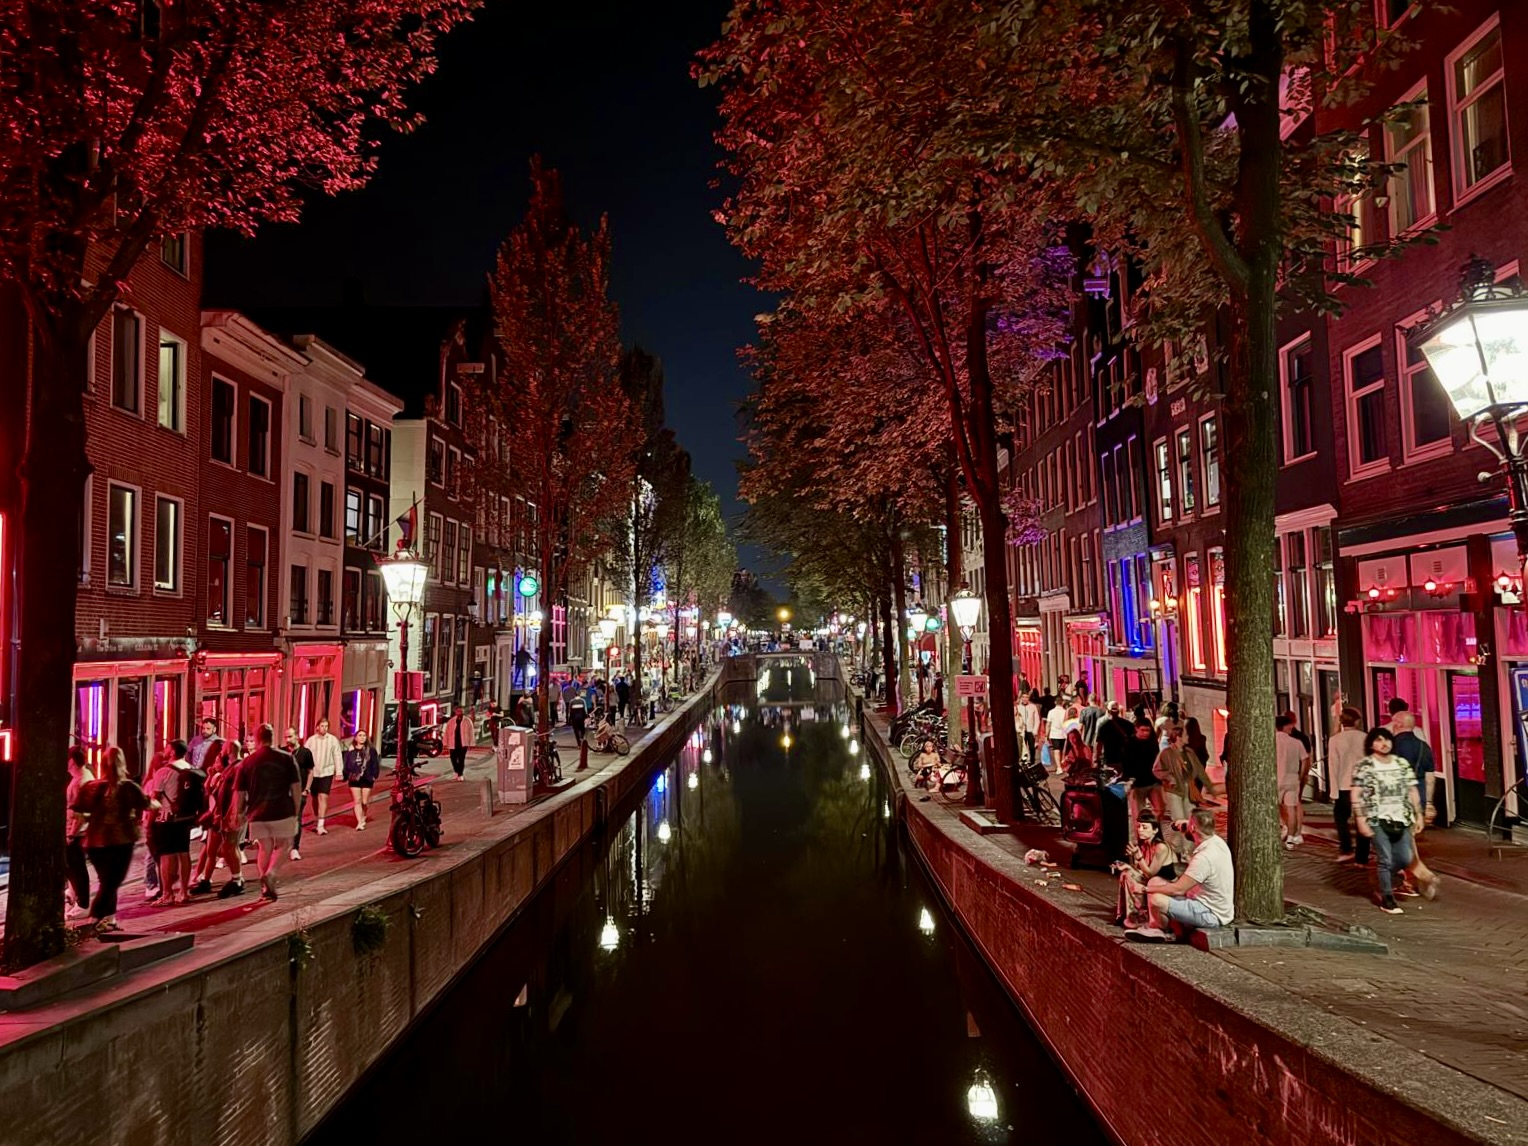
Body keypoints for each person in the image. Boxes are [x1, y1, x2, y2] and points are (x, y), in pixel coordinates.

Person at [1354, 727, 1439, 913]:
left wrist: (1418, 814)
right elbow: (1357, 793)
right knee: (1385, 858)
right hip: (1377, 818)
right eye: (1378, 740)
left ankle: (1381, 877)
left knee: (1406, 857)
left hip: (1401, 817)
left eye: (1387, 740)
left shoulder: (1401, 764)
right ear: (1371, 744)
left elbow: (1412, 790)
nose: (1384, 744)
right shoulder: (1365, 766)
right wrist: (1360, 818)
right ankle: (1387, 898)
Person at [74, 745, 150, 933]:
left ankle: (110, 919)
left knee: (106, 880)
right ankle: (96, 916)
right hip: (121, 839)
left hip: (95, 841)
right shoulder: (129, 787)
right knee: (112, 881)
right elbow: (145, 803)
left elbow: (79, 808)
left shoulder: (91, 787)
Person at [1131, 808, 1234, 940]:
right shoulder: (1217, 842)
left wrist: (1145, 889)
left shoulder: (1204, 858)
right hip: (1202, 901)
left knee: (1157, 899)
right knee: (1156, 881)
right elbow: (1198, 831)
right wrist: (1186, 826)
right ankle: (1165, 926)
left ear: (1193, 827)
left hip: (1210, 913)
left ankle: (1162, 931)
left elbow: (1178, 889)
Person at [236, 724, 301, 901]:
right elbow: (296, 787)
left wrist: (239, 813)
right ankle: (271, 874)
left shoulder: (247, 763)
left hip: (257, 812)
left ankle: (265, 888)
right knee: (286, 844)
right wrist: (296, 810)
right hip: (281, 810)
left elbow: (240, 792)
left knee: (264, 848)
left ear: (257, 739)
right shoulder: (286, 758)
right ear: (273, 737)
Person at [147, 739, 201, 906]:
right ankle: (184, 891)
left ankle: (167, 893)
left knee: (166, 857)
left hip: (167, 818)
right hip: (185, 818)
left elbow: (155, 799)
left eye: (167, 748)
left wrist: (149, 821)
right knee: (184, 853)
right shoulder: (191, 768)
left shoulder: (163, 771)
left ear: (172, 751)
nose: (165, 750)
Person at [1115, 814, 1176, 928]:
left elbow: (1150, 873)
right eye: (1138, 827)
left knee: (1130, 877)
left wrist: (1138, 857)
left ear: (1155, 830)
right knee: (1125, 874)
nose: (1140, 830)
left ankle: (1142, 915)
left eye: (1144, 827)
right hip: (1150, 880)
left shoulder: (1160, 847)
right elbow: (1140, 870)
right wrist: (1129, 866)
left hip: (1163, 883)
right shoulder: (1143, 845)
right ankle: (1127, 914)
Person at [1328, 705, 1370, 865]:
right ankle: (1362, 856)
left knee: (1340, 817)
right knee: (1362, 818)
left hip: (1344, 784)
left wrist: (1333, 792)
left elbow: (1333, 766)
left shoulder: (1335, 740)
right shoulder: (1365, 738)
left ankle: (1346, 848)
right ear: (1357, 721)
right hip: (1363, 784)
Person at [1390, 711, 1437, 825]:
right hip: (1418, 794)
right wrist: (1429, 802)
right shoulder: (1424, 746)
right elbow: (1430, 778)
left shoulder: (1390, 746)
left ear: (1399, 724)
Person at [64, 748, 94, 920]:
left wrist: (71, 834)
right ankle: (74, 894)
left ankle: (83, 904)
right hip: (73, 830)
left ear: (72, 761)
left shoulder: (81, 781)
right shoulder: (80, 778)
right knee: (71, 866)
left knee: (76, 867)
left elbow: (80, 812)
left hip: (75, 832)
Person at [1123, 717, 1166, 829]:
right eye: (1142, 730)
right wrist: (1129, 780)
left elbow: (1157, 760)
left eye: (1148, 731)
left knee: (1160, 808)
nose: (1145, 733)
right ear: (1136, 729)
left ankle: (1152, 828)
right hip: (1137, 784)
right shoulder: (1129, 743)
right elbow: (1126, 763)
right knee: (1138, 815)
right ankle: (1142, 838)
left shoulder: (1152, 742)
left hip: (1152, 781)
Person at [304, 717, 343, 833]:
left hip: (327, 772)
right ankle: (317, 817)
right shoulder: (311, 741)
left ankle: (321, 825)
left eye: (326, 726)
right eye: (322, 726)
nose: (324, 728)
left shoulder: (332, 740)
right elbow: (305, 756)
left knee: (323, 796)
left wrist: (339, 771)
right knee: (315, 798)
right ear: (317, 727)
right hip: (314, 773)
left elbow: (337, 755)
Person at [1276, 714, 1308, 848]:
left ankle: (1282, 827)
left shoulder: (1270, 741)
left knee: (1274, 808)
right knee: (1292, 809)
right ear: (1286, 726)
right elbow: (1305, 760)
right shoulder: (1296, 742)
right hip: (1292, 779)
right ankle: (1291, 837)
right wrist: (1300, 776)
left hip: (1276, 779)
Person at [287, 727, 315, 861]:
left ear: (297, 736)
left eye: (290, 736)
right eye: (286, 737)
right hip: (284, 794)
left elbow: (310, 771)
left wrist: (306, 789)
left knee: (296, 819)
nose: (288, 739)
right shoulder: (283, 752)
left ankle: (294, 848)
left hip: (300, 792)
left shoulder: (305, 753)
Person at [343, 731, 381, 829]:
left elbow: (375, 764)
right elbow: (346, 765)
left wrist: (374, 775)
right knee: (357, 801)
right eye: (360, 735)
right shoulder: (350, 751)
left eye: (364, 735)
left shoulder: (371, 750)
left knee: (364, 801)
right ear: (355, 738)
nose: (362, 737)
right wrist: (346, 775)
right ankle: (359, 822)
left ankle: (363, 814)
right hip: (354, 779)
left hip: (367, 778)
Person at [442, 704, 476, 780]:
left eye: (461, 710)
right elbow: (447, 732)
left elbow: (471, 732)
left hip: (463, 743)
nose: (459, 712)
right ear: (455, 712)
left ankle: (460, 774)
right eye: (458, 711)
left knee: (461, 759)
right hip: (453, 743)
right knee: (453, 758)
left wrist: (471, 743)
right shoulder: (451, 721)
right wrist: (445, 743)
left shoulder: (467, 721)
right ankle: (457, 771)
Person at [1045, 696, 1068, 772]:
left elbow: (1048, 724)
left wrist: (1046, 735)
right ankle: (1063, 764)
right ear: (1062, 703)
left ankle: (1059, 767)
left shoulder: (1051, 712)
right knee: (1063, 751)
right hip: (1064, 734)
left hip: (1054, 734)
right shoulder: (1065, 711)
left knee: (1056, 750)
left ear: (1055, 702)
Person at [1020, 690, 1042, 764]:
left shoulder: (1033, 707)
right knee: (1023, 747)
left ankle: (1032, 761)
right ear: (1021, 698)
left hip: (1030, 730)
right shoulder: (1018, 707)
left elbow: (1037, 719)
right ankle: (1024, 761)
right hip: (1021, 730)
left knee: (1032, 747)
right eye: (1023, 697)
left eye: (1027, 697)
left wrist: (1035, 730)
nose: (1025, 699)